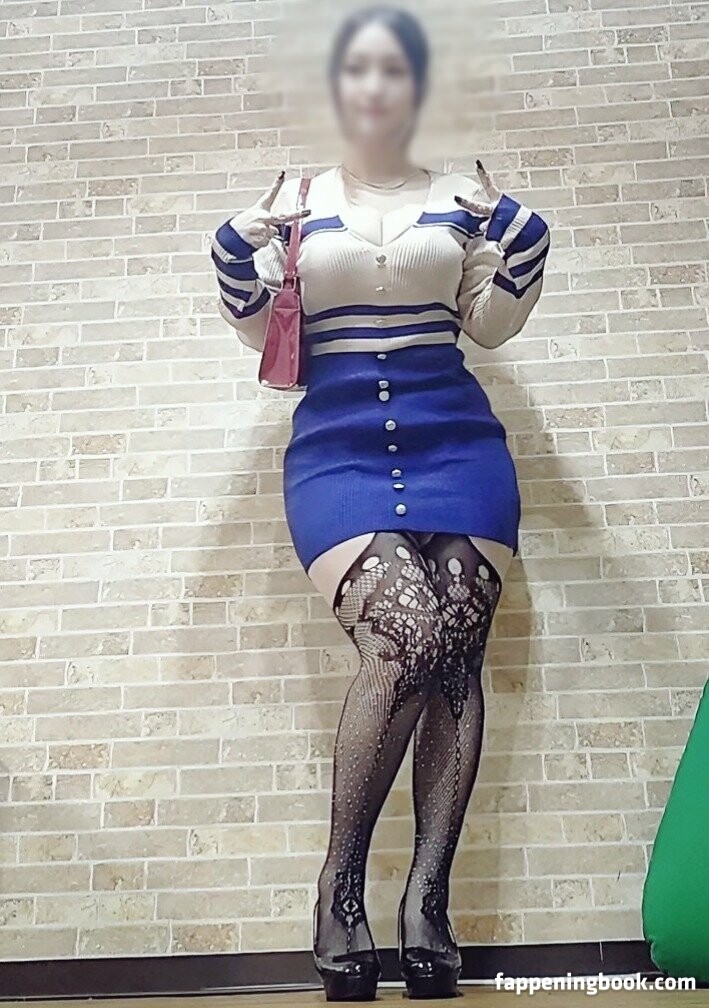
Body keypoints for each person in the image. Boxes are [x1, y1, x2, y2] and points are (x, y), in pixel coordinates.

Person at [210, 4, 550, 1000]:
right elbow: (262, 333)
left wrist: (521, 235)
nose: (374, 86)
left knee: (456, 656)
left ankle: (428, 903)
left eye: (393, 70)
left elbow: (488, 325)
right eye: (356, 69)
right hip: (340, 451)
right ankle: (342, 889)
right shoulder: (297, 200)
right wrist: (235, 246)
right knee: (407, 639)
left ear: (417, 86)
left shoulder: (461, 196)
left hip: (462, 449)